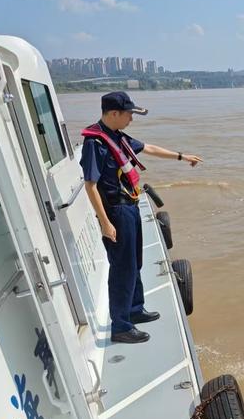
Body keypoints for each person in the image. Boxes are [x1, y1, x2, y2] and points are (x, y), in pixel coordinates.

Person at [79, 91, 203, 343]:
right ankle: (121, 326)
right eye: (128, 115)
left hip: (131, 206)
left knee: (135, 262)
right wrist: (105, 222)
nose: (131, 120)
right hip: (116, 211)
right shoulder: (96, 143)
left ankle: (135, 310)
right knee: (122, 268)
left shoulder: (117, 137)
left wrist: (181, 156)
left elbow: (149, 148)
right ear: (114, 113)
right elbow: (90, 186)